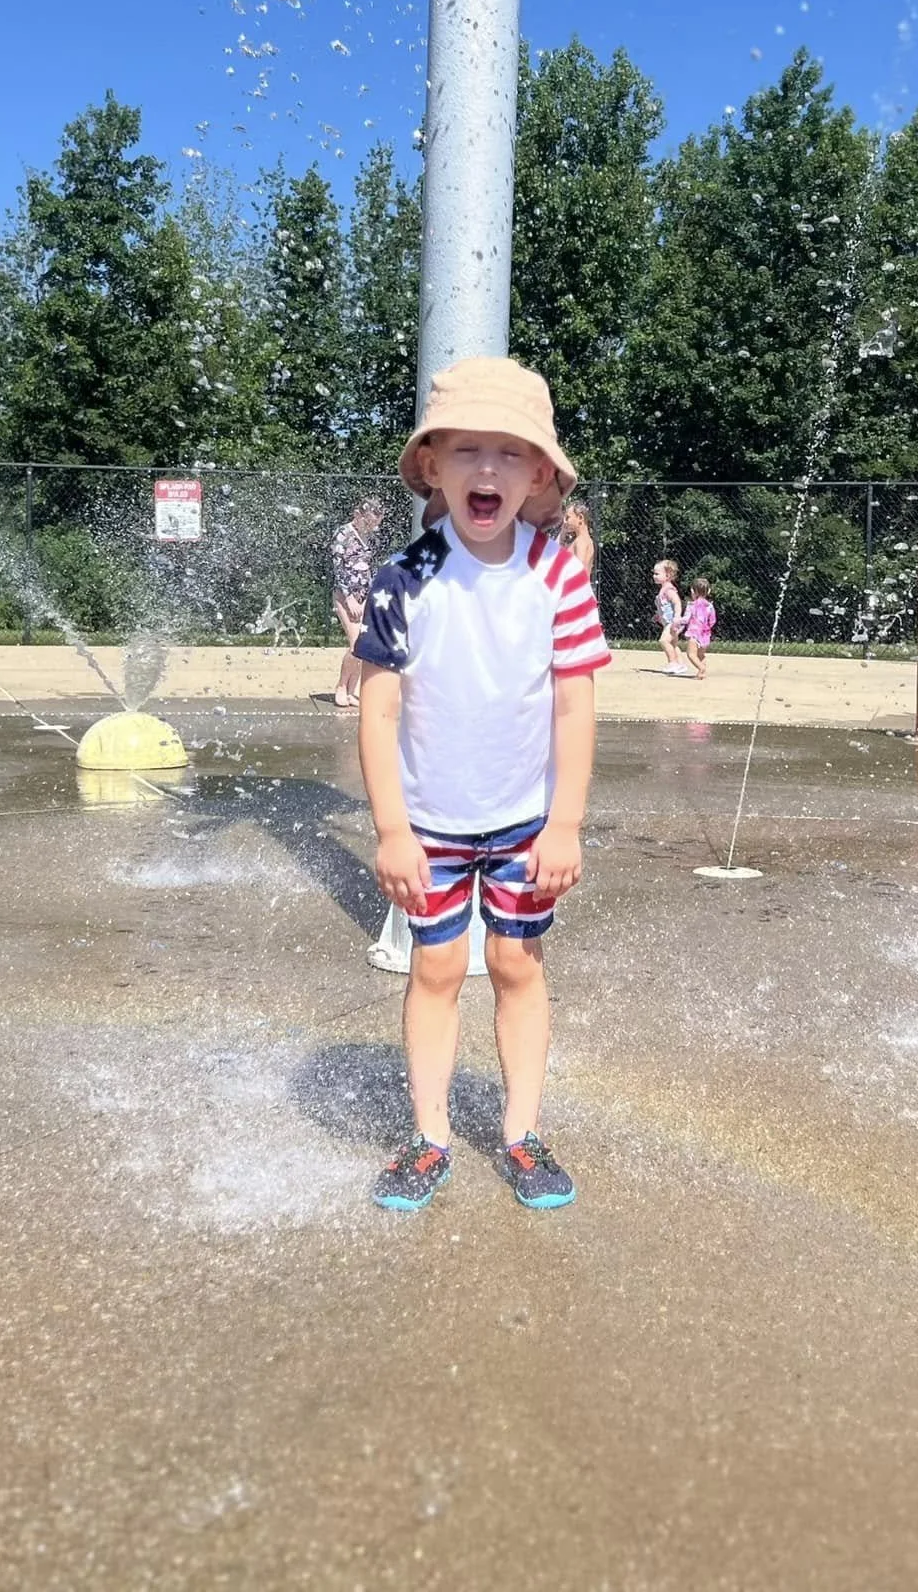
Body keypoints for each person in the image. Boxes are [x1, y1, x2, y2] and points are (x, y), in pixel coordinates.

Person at [353, 356, 610, 1209]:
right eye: (466, 450)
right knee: (434, 969)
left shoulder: (557, 574)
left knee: (515, 963)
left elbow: (574, 704)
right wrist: (391, 831)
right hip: (428, 824)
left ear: (538, 474)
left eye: (509, 452)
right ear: (432, 466)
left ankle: (521, 1132)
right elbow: (378, 711)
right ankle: (429, 1138)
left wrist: (564, 824)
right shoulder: (404, 578)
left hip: (524, 823)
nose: (487, 469)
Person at [329, 497, 386, 709]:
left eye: (375, 523)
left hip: (364, 596)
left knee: (365, 646)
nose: (372, 526)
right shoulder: (343, 534)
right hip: (345, 597)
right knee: (356, 645)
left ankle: (351, 690)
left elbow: (368, 568)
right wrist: (350, 598)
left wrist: (370, 596)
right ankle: (341, 686)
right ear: (358, 515)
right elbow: (339, 569)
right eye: (369, 521)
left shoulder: (367, 536)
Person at [652, 558, 686, 673]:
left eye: (657, 574)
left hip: (672, 623)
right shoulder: (663, 590)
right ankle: (680, 664)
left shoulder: (668, 590)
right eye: (654, 573)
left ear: (667, 575)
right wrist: (658, 615)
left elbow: (677, 603)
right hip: (669, 622)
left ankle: (673, 663)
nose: (654, 576)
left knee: (664, 641)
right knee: (673, 644)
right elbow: (665, 607)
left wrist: (677, 617)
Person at [681, 576, 716, 680]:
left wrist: (677, 621)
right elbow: (713, 620)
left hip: (694, 633)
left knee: (691, 654)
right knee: (701, 655)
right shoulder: (709, 606)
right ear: (708, 591)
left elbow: (686, 619)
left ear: (692, 591)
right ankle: (701, 673)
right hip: (705, 634)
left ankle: (701, 668)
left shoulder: (691, 605)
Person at [560, 498, 596, 582]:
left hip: (574, 587)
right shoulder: (586, 540)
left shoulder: (580, 542)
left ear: (580, 518)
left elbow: (579, 570)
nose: (564, 521)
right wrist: (563, 531)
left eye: (567, 517)